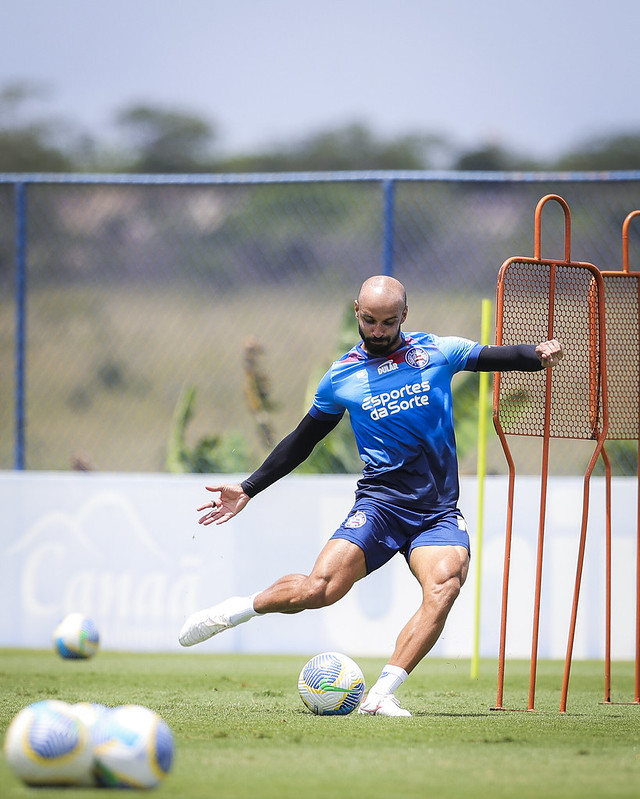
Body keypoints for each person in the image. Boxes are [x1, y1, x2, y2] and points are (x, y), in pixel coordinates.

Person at [179, 275, 563, 716]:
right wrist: (248, 488)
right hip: (380, 506)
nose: (377, 331)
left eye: (387, 321)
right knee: (319, 590)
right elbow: (302, 441)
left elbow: (491, 356)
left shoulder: (435, 351)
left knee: (445, 586)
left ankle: (381, 694)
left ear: (405, 315)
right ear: (356, 312)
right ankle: (237, 610)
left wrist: (535, 355)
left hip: (436, 512)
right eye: (369, 321)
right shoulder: (340, 377)